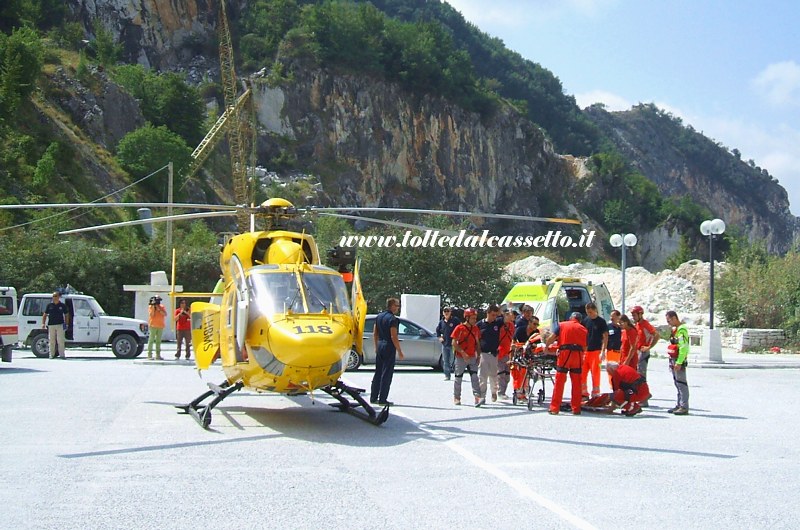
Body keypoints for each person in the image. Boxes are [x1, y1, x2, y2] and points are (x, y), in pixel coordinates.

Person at [545, 312, 588, 415]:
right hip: (577, 355)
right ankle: (576, 408)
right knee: (577, 383)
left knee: (560, 381)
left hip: (564, 354)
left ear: (570, 318)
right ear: (580, 320)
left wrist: (546, 347)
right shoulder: (584, 329)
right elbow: (585, 347)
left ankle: (554, 408)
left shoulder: (562, 325)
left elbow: (552, 337)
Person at [370, 298, 405, 406]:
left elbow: (375, 333)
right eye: (397, 305)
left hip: (380, 344)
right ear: (392, 306)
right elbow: (393, 336)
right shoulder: (392, 319)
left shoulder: (379, 316)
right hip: (388, 346)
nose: (398, 308)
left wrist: (376, 346)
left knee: (378, 372)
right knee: (387, 373)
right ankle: (382, 399)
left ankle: (373, 397)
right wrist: (399, 351)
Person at [451, 308, 481, 406]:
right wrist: (463, 353)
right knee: (458, 377)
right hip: (461, 357)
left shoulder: (476, 329)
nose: (474, 320)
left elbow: (477, 342)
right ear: (467, 318)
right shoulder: (459, 328)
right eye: (473, 318)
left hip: (472, 356)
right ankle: (457, 397)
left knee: (474, 377)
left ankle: (477, 397)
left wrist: (479, 355)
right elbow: (454, 343)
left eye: (475, 318)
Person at [631, 305, 658, 406]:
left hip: (643, 352)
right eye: (632, 315)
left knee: (641, 375)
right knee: (638, 375)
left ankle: (644, 398)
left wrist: (649, 347)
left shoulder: (645, 324)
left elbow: (656, 335)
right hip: (638, 352)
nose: (633, 317)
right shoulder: (637, 324)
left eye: (634, 315)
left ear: (640, 314)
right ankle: (643, 395)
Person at [476, 304, 504, 406]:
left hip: (494, 354)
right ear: (487, 313)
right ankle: (482, 396)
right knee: (482, 376)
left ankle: (494, 392)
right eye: (492, 315)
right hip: (483, 353)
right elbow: (476, 339)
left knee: (493, 375)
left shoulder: (497, 323)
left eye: (496, 315)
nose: (494, 317)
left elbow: (508, 318)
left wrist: (504, 310)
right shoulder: (480, 325)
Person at [581, 302, 608, 399]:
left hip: (596, 352)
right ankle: (584, 393)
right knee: (582, 373)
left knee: (595, 373)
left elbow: (605, 337)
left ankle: (595, 393)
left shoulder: (601, 322)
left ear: (595, 310)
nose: (589, 314)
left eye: (591, 312)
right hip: (586, 351)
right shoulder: (585, 321)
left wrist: (603, 351)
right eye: (587, 312)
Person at [666, 310, 690, 415]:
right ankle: (679, 404)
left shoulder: (682, 330)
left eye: (669, 320)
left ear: (674, 318)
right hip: (673, 359)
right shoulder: (675, 330)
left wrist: (679, 362)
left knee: (681, 383)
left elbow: (684, 347)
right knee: (677, 383)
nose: (668, 323)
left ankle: (684, 406)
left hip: (678, 360)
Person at [42, 291, 70, 359]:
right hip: (51, 325)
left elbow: (66, 315)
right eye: (53, 296)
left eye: (55, 296)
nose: (54, 298)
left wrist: (66, 324)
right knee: (51, 340)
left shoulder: (62, 305)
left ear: (58, 297)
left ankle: (62, 355)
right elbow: (45, 315)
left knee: (60, 340)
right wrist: (43, 323)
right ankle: (51, 355)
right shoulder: (49, 305)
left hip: (60, 324)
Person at [435, 307, 460, 381]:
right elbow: (437, 331)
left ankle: (457, 374)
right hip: (445, 344)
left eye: (448, 311)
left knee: (452, 360)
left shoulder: (455, 320)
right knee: (445, 360)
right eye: (445, 311)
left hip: (453, 344)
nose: (446, 312)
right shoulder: (441, 322)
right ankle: (447, 375)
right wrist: (439, 337)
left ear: (450, 312)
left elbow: (460, 329)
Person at [496, 308, 516, 399]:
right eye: (510, 314)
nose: (512, 316)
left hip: (509, 351)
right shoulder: (499, 324)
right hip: (500, 351)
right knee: (501, 373)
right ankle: (500, 392)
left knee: (507, 375)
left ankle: (503, 391)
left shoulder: (512, 325)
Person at [605, 310, 622, 388]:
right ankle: (612, 384)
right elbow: (605, 339)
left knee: (619, 369)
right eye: (611, 316)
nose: (611, 317)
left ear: (618, 317)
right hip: (610, 351)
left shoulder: (621, 328)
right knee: (610, 369)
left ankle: (618, 384)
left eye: (613, 316)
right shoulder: (608, 327)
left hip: (619, 352)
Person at [147, 295, 167, 361]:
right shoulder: (150, 307)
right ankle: (149, 354)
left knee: (158, 341)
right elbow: (152, 315)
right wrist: (153, 307)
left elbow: (165, 314)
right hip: (153, 325)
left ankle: (158, 355)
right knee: (151, 340)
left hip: (160, 325)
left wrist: (158, 309)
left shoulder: (162, 307)